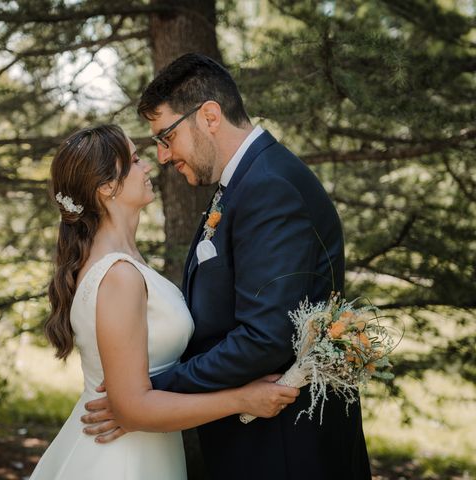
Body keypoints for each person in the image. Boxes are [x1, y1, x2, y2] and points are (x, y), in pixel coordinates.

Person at [82, 54, 372, 479]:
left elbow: (265, 338)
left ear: (210, 117)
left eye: (166, 136)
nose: (162, 156)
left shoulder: (269, 186)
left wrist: (148, 396)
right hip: (257, 439)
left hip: (285, 449)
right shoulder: (243, 182)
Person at [28, 124, 299, 479]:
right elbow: (132, 410)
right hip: (122, 460)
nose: (149, 167)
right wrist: (243, 399)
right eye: (136, 160)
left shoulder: (124, 262)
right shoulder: (118, 276)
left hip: (147, 449)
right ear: (107, 186)